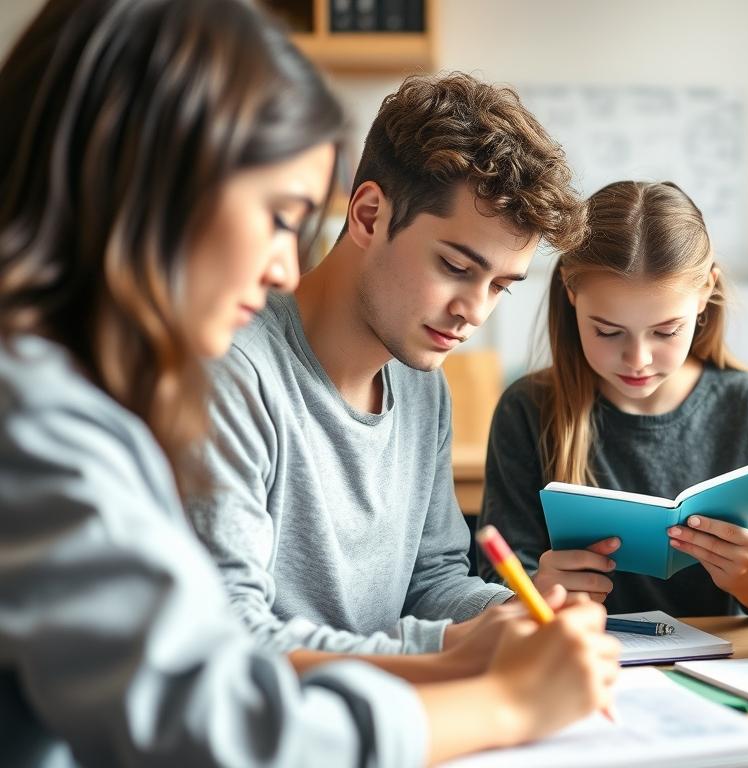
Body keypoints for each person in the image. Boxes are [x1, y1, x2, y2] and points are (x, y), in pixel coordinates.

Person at [0, 1, 616, 764]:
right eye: (280, 215)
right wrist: (497, 692)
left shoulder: (78, 397)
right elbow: (211, 705)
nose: (286, 267)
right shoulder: (50, 412)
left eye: (502, 286)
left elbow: (427, 580)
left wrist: (497, 630)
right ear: (159, 189)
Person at [184, 70, 589, 660]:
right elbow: (231, 637)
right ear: (369, 214)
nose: (473, 312)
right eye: (455, 267)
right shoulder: (233, 371)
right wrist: (455, 645)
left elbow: (430, 582)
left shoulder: (423, 385)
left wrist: (512, 615)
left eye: (500, 286)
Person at [478, 180, 748, 616]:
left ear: (705, 294)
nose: (638, 359)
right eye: (607, 331)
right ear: (570, 293)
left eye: (666, 331)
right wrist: (537, 590)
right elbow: (497, 581)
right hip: (580, 658)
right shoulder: (527, 410)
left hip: (726, 663)